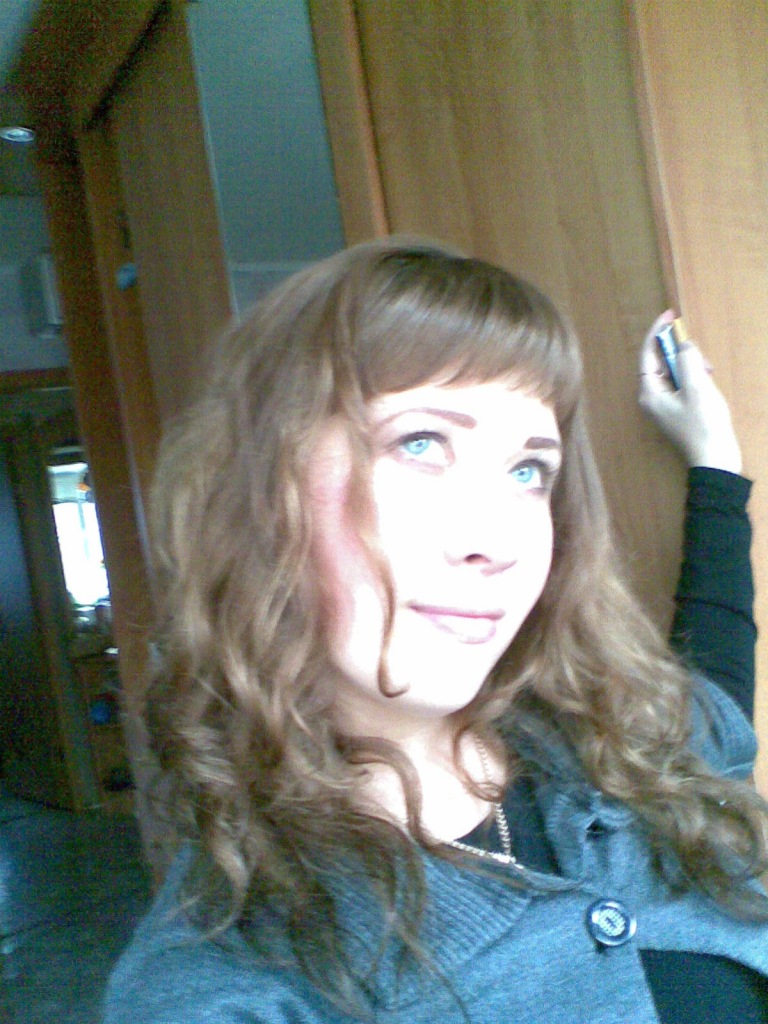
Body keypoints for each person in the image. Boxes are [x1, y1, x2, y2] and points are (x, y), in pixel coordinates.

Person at [105, 239, 768, 1023]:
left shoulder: (607, 736)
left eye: (529, 471)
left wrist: (715, 467)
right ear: (260, 495)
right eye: (419, 444)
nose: (498, 539)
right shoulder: (232, 981)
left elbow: (714, 691)